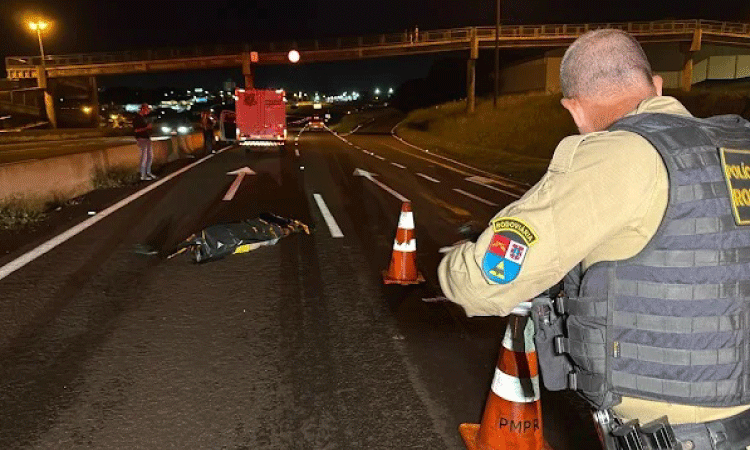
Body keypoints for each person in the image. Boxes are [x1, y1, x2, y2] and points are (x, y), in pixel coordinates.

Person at [438, 29, 750, 449]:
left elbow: (484, 282)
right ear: (656, 85)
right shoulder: (740, 144)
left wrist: (457, 263)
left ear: (574, 109)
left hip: (680, 438)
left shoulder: (617, 155)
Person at [133, 103, 156, 181]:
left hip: (147, 139)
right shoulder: (137, 118)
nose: (148, 111)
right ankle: (142, 175)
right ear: (142, 109)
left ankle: (148, 172)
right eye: (147, 109)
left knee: (150, 156)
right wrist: (146, 128)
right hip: (141, 139)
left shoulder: (144, 118)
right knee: (144, 157)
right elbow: (136, 130)